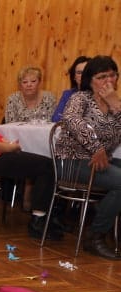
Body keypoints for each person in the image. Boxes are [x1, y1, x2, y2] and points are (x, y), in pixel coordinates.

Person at [55, 55, 121, 260]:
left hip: (101, 162)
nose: (108, 81)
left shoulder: (116, 103)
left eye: (112, 76)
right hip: (73, 161)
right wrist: (96, 146)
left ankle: (104, 220)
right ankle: (95, 236)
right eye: (102, 77)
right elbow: (72, 120)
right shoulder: (80, 98)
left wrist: (116, 105)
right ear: (90, 80)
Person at [0, 124, 63, 240]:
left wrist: (5, 142)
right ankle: (38, 221)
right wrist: (8, 147)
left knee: (45, 164)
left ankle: (43, 216)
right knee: (46, 167)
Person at [52, 56, 90, 122]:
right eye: (79, 73)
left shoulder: (99, 95)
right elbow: (56, 118)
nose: (83, 75)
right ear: (74, 77)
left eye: (86, 72)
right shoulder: (68, 94)